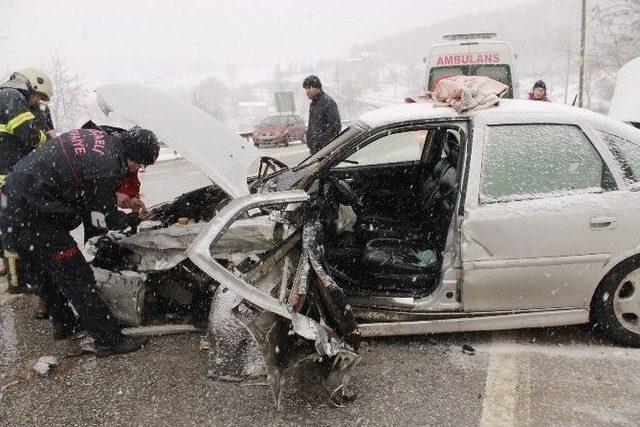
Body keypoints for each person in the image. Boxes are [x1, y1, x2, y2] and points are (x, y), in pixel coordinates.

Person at [0, 127, 160, 357]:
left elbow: (82, 180)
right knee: (76, 274)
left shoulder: (104, 141)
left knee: (45, 270)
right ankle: (108, 339)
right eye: (141, 164)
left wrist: (112, 198)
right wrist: (131, 220)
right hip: (33, 213)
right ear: (134, 156)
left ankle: (63, 324)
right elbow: (99, 218)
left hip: (12, 200)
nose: (138, 169)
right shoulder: (110, 167)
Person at [303, 75, 341, 154]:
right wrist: (309, 138)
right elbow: (313, 125)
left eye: (309, 88)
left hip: (325, 151)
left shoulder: (327, 102)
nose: (307, 91)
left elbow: (335, 126)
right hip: (316, 150)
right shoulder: (314, 104)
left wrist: (320, 142)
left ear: (317, 87)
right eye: (305, 88)